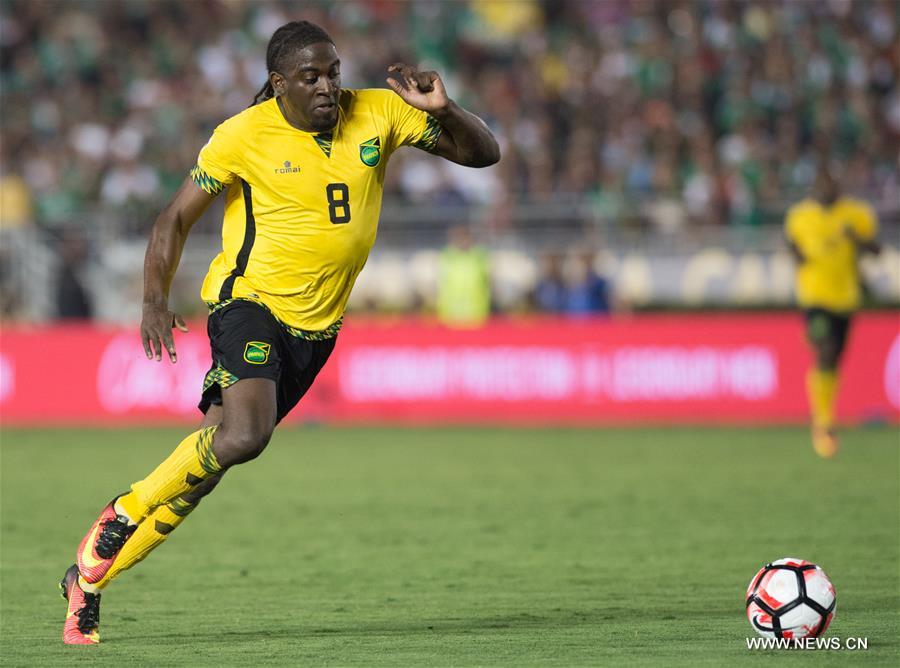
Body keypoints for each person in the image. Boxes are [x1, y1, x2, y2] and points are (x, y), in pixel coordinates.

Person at [60, 20, 499, 645]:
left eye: (333, 73)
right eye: (311, 77)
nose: (327, 87)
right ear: (278, 83)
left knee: (212, 463)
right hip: (248, 304)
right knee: (245, 435)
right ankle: (119, 515)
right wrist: (154, 298)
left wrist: (446, 109)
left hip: (317, 330)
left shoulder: (379, 112)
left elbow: (485, 154)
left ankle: (88, 583)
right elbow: (173, 219)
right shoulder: (241, 135)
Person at [784, 168, 879, 459]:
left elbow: (876, 250)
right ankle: (823, 423)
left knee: (833, 359)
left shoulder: (856, 214)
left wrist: (856, 239)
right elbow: (790, 242)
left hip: (845, 298)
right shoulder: (800, 216)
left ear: (838, 188)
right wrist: (796, 255)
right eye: (819, 186)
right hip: (814, 297)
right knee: (825, 350)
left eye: (830, 185)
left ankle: (824, 416)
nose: (824, 190)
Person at [436, 225, 491, 327]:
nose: (462, 241)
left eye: (464, 238)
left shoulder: (480, 257)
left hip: (476, 316)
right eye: (458, 238)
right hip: (450, 317)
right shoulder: (447, 256)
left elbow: (487, 282)